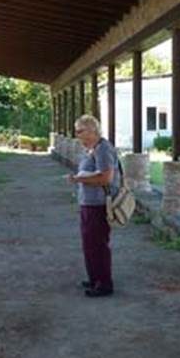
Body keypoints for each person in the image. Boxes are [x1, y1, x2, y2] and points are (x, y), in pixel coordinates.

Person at [66, 114, 119, 297]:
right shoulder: (93, 149)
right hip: (89, 203)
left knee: (97, 244)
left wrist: (79, 179)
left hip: (98, 204)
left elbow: (106, 177)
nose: (77, 135)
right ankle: (95, 277)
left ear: (92, 131)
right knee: (89, 243)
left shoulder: (103, 149)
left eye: (80, 131)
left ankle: (104, 283)